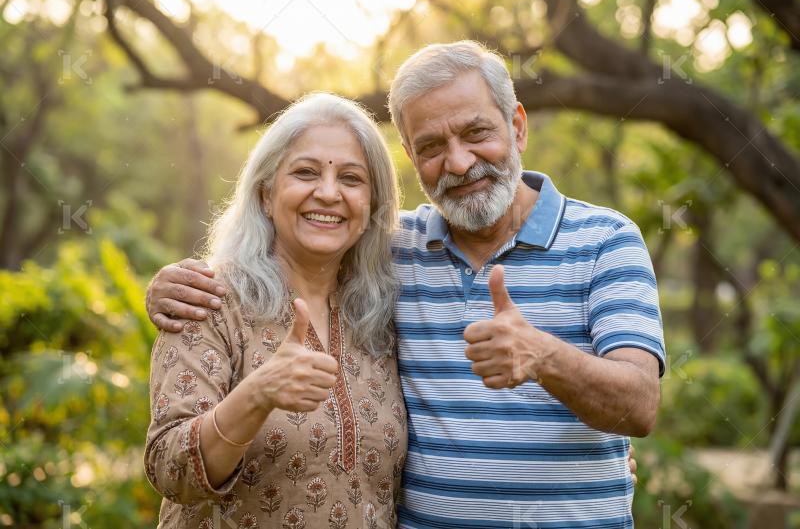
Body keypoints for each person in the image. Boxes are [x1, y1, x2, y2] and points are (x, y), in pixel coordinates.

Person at [147, 41, 663, 528]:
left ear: (518, 126)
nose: (459, 163)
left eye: (477, 132)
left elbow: (639, 405)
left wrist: (545, 358)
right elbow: (305, 245)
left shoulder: (605, 240)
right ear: (412, 160)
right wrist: (168, 287)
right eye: (432, 146)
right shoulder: (395, 255)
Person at [144, 93, 407, 528]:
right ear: (266, 195)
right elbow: (170, 469)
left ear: (373, 205)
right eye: (305, 172)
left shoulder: (381, 314)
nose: (328, 193)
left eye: (351, 178)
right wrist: (256, 395)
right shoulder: (207, 301)